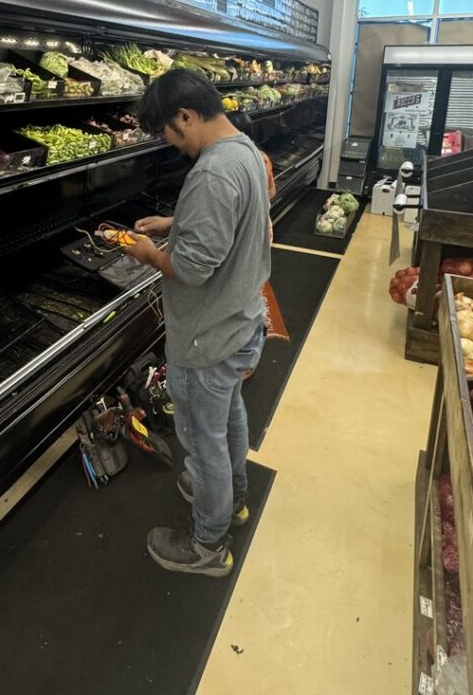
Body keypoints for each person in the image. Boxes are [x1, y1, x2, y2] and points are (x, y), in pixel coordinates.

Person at [125, 69, 270, 577]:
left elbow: (189, 268)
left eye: (167, 130)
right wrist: (177, 223)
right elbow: (239, 216)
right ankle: (233, 497)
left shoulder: (210, 173)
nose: (170, 142)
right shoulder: (244, 150)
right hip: (241, 321)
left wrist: (149, 253)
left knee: (202, 442)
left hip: (205, 336)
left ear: (185, 116)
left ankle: (209, 544)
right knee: (228, 417)